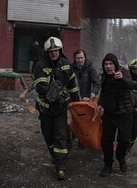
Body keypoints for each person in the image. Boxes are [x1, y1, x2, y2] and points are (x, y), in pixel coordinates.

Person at [33, 36, 80, 181]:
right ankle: (56, 156)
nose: (54, 53)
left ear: (60, 50)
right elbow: (43, 89)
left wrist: (77, 103)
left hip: (59, 110)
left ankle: (61, 167)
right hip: (46, 110)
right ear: (47, 52)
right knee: (48, 136)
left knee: (60, 136)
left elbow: (72, 85)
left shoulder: (66, 64)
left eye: (56, 50)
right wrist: (63, 100)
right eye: (51, 51)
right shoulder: (40, 66)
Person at [96, 53, 137, 177]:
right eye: (106, 64)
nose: (108, 67)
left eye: (110, 64)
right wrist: (100, 104)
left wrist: (122, 79)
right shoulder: (104, 76)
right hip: (109, 114)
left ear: (115, 65)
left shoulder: (123, 72)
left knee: (124, 140)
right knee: (106, 140)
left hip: (125, 113)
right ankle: (108, 164)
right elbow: (103, 93)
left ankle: (121, 157)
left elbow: (132, 85)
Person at [71, 49, 100, 148]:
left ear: (85, 58)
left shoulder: (90, 68)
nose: (80, 60)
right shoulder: (71, 68)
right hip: (73, 100)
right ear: (75, 59)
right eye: (78, 58)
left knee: (84, 121)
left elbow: (96, 82)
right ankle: (72, 136)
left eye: (81, 58)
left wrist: (93, 93)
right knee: (73, 119)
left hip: (85, 100)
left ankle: (82, 141)